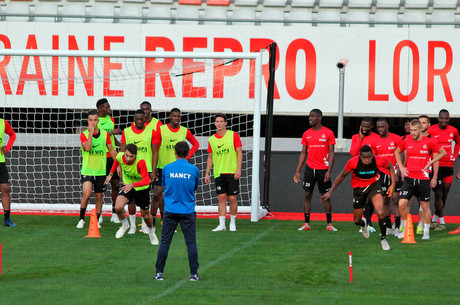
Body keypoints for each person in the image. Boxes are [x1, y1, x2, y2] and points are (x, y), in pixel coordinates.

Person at [320, 145, 395, 251]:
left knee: (380, 212)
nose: (367, 160)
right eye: (364, 158)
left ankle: (383, 239)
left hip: (374, 185)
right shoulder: (353, 162)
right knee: (356, 220)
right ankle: (363, 224)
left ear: (372, 156)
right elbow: (341, 176)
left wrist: (393, 184)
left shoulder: (378, 160)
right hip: (359, 189)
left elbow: (390, 166)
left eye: (369, 157)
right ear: (360, 157)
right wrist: (330, 192)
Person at [155, 141, 200, 281]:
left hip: (170, 210)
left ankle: (159, 273)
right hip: (187, 210)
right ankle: (194, 274)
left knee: (165, 242)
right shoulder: (194, 170)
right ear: (188, 153)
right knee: (191, 243)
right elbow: (194, 187)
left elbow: (164, 186)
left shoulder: (167, 169)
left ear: (174, 152)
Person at [395, 119, 446, 240]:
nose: (412, 133)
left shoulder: (429, 142)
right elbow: (397, 152)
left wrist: (431, 162)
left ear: (421, 130)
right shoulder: (406, 140)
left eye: (414, 130)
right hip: (409, 177)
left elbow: (442, 153)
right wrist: (401, 167)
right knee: (402, 203)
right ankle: (405, 227)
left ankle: (426, 231)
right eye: (411, 130)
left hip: (423, 178)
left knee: (424, 206)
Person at [151, 108, 199, 230]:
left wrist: (186, 157)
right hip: (163, 168)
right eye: (174, 116)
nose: (176, 118)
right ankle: (151, 221)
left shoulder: (184, 131)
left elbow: (196, 144)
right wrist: (154, 166)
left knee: (173, 195)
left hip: (178, 169)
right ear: (169, 116)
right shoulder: (161, 130)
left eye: (178, 116)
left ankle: (167, 220)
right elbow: (155, 150)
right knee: (157, 194)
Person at [293, 109, 337, 231]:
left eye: (313, 117)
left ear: (320, 118)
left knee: (326, 195)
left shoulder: (328, 133)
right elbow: (303, 153)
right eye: (309, 117)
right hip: (309, 168)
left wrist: (329, 170)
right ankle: (307, 223)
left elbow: (332, 152)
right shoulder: (306, 133)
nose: (310, 119)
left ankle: (329, 224)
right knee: (307, 194)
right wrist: (297, 171)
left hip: (323, 169)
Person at [106, 144, 158, 245]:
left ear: (135, 155)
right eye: (127, 155)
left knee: (146, 215)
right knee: (118, 207)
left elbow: (147, 180)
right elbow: (116, 160)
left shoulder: (140, 162)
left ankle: (151, 232)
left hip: (141, 188)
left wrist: (133, 185)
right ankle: (125, 225)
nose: (128, 158)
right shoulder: (120, 156)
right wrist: (111, 174)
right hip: (127, 185)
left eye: (131, 156)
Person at [120, 109, 159, 235]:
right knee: (130, 200)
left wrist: (153, 170)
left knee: (143, 201)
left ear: (145, 118)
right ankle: (132, 226)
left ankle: (145, 226)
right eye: (137, 119)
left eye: (141, 119)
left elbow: (154, 152)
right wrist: (120, 167)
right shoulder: (127, 132)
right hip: (130, 170)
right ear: (134, 119)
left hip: (145, 170)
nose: (139, 121)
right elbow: (121, 152)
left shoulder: (151, 132)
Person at [77, 110, 117, 229]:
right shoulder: (84, 134)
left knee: (99, 197)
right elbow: (88, 148)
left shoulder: (105, 134)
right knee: (87, 194)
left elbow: (111, 150)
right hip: (88, 170)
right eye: (91, 120)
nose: (93, 123)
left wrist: (118, 165)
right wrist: (90, 134)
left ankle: (97, 218)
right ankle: (82, 219)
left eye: (95, 120)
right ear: (87, 121)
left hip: (100, 171)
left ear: (98, 121)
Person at [205, 113, 243, 232]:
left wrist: (238, 169)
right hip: (218, 172)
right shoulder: (212, 139)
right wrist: (207, 173)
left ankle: (232, 223)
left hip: (232, 172)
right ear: (215, 123)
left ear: (226, 123)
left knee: (232, 198)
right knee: (221, 197)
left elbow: (239, 152)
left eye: (222, 121)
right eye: (217, 121)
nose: (219, 123)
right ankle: (222, 224)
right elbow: (210, 157)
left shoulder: (233, 135)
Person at [428, 109, 460, 231]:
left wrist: (454, 155)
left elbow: (458, 142)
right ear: (438, 118)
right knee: (438, 193)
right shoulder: (431, 130)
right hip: (436, 166)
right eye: (442, 118)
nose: (444, 120)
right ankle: (442, 221)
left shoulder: (453, 130)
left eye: (446, 118)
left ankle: (435, 217)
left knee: (445, 195)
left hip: (449, 166)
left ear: (449, 119)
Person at [350, 117, 380, 233]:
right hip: (359, 174)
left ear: (372, 126)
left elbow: (377, 155)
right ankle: (367, 223)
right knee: (363, 199)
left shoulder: (376, 138)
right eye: (363, 126)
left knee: (370, 199)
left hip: (372, 173)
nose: (364, 128)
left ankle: (369, 222)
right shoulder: (355, 137)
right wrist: (360, 138)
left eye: (367, 126)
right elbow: (353, 153)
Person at [96, 98, 122, 224]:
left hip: (112, 156)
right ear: (100, 108)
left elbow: (112, 138)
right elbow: (97, 137)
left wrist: (121, 144)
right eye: (107, 107)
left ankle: (114, 213)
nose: (109, 109)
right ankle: (99, 214)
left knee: (116, 185)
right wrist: (112, 132)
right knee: (100, 187)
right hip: (100, 157)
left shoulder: (111, 119)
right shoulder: (95, 120)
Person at [375, 117, 402, 235]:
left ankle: (397, 227)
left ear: (387, 126)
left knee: (396, 200)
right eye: (378, 127)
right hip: (382, 175)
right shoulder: (375, 141)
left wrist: (399, 172)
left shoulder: (396, 138)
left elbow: (402, 155)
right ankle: (389, 227)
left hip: (394, 174)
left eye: (382, 127)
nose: (380, 129)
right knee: (385, 202)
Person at [139, 101, 163, 233]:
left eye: (147, 109)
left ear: (151, 110)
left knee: (158, 193)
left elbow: (158, 147)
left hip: (155, 165)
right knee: (143, 195)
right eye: (143, 109)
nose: (145, 111)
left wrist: (155, 168)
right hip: (141, 167)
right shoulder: (136, 125)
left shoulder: (157, 124)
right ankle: (145, 222)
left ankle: (153, 219)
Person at [0, 117, 17, 227]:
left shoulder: (2, 122)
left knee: (5, 188)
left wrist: (7, 148)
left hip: (0, 162)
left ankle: (7, 219)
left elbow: (12, 134)